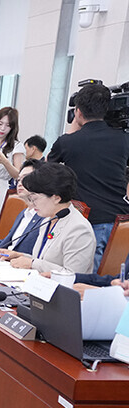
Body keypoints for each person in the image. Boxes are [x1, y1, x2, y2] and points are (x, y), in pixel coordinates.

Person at [48, 82, 129, 270]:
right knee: (114, 279)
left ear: (78, 112)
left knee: (86, 281)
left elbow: (47, 172)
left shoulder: (68, 142)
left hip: (90, 221)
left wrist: (72, 130)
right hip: (122, 221)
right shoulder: (124, 139)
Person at [0, 162, 96, 275]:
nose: (32, 204)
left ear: (56, 198)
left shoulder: (79, 229)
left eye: (34, 198)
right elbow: (43, 259)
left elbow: (72, 274)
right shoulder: (49, 219)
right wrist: (18, 255)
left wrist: (32, 263)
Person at [0, 159, 43, 254]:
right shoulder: (24, 213)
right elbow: (10, 244)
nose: (20, 183)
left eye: (25, 178)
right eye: (18, 179)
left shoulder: (45, 218)